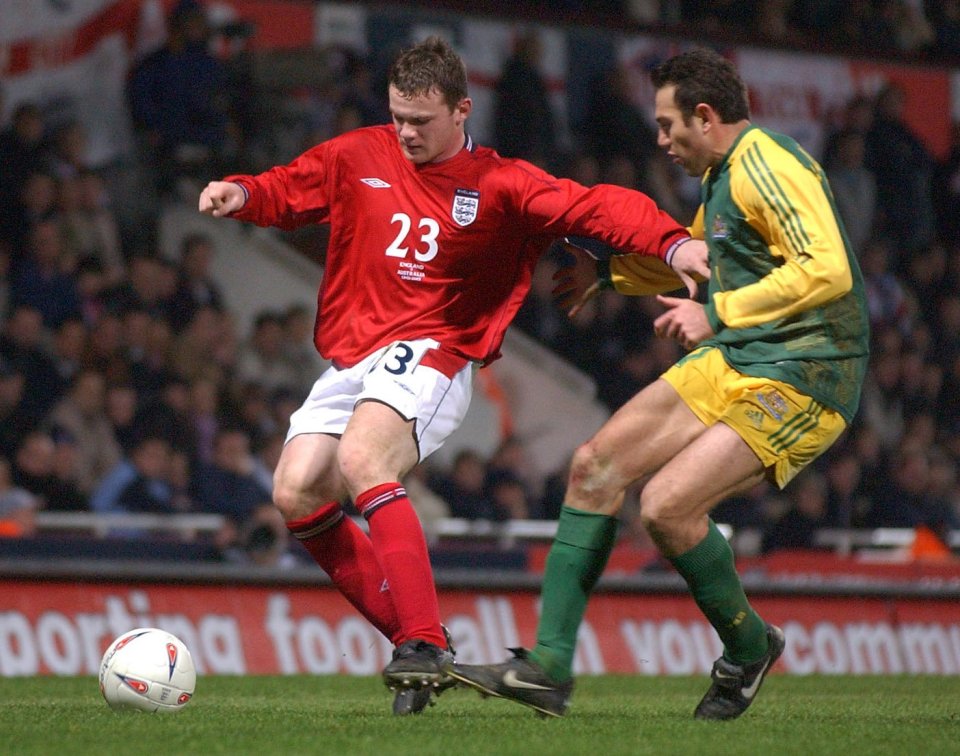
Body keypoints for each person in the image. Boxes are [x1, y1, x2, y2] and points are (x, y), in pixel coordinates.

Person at [198, 36, 708, 716]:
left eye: (421, 120)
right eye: (398, 117)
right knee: (293, 493)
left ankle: (419, 642)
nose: (405, 132)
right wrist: (243, 192)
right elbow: (292, 187)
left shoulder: (501, 184)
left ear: (462, 109)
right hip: (354, 354)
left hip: (435, 350)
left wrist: (674, 242)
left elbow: (596, 206)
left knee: (362, 458)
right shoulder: (359, 154)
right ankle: (422, 642)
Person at [446, 47, 869, 721]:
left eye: (670, 125)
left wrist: (720, 313)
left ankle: (750, 646)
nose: (661, 140)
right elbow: (707, 263)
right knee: (594, 468)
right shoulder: (724, 175)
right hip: (739, 354)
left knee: (668, 507)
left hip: (807, 374)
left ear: (706, 116)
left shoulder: (770, 164)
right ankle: (548, 668)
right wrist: (610, 276)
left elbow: (827, 272)